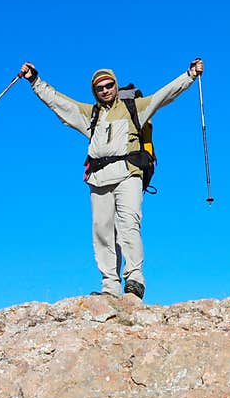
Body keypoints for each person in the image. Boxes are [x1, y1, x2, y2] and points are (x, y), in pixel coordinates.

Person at [19, 58, 204, 299]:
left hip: (129, 173)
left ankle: (135, 279)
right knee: (102, 230)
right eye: (100, 87)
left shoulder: (133, 108)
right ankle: (110, 285)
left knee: (129, 224)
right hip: (98, 178)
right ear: (94, 91)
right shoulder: (90, 114)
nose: (105, 90)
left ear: (116, 86)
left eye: (109, 85)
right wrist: (35, 80)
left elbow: (164, 95)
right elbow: (58, 102)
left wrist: (189, 75)